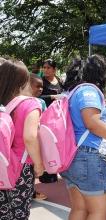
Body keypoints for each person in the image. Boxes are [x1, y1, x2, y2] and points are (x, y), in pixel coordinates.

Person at [60, 55, 106, 220]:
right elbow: (91, 122)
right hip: (89, 156)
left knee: (79, 209)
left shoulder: (72, 92)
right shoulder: (89, 90)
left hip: (72, 155)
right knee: (97, 212)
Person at [0, 59, 44, 220]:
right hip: (21, 167)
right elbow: (30, 137)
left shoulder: (4, 102)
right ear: (24, 80)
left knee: (3, 212)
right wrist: (39, 164)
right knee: (19, 213)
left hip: (2, 162)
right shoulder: (31, 104)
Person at [39, 59, 63, 183]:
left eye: (48, 68)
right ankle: (46, 172)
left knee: (56, 144)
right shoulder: (41, 82)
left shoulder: (59, 81)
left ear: (54, 69)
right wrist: (51, 97)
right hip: (45, 117)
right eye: (44, 67)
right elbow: (36, 96)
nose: (45, 70)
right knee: (46, 145)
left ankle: (55, 169)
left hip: (57, 117)